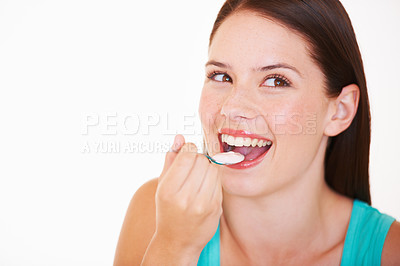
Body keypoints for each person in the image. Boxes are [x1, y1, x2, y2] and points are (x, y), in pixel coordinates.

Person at [114, 0, 400, 265]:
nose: (232, 108)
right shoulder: (159, 216)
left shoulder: (391, 252)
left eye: (276, 81)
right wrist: (173, 247)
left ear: (340, 111)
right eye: (221, 76)